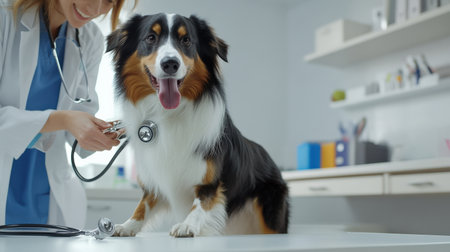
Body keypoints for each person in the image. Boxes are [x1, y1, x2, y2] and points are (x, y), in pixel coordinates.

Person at [0, 0, 133, 228]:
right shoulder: (5, 18)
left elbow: (78, 136)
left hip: (45, 198)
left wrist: (112, 130)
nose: (95, 9)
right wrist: (63, 119)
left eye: (109, 1)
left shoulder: (89, 40)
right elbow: (69, 120)